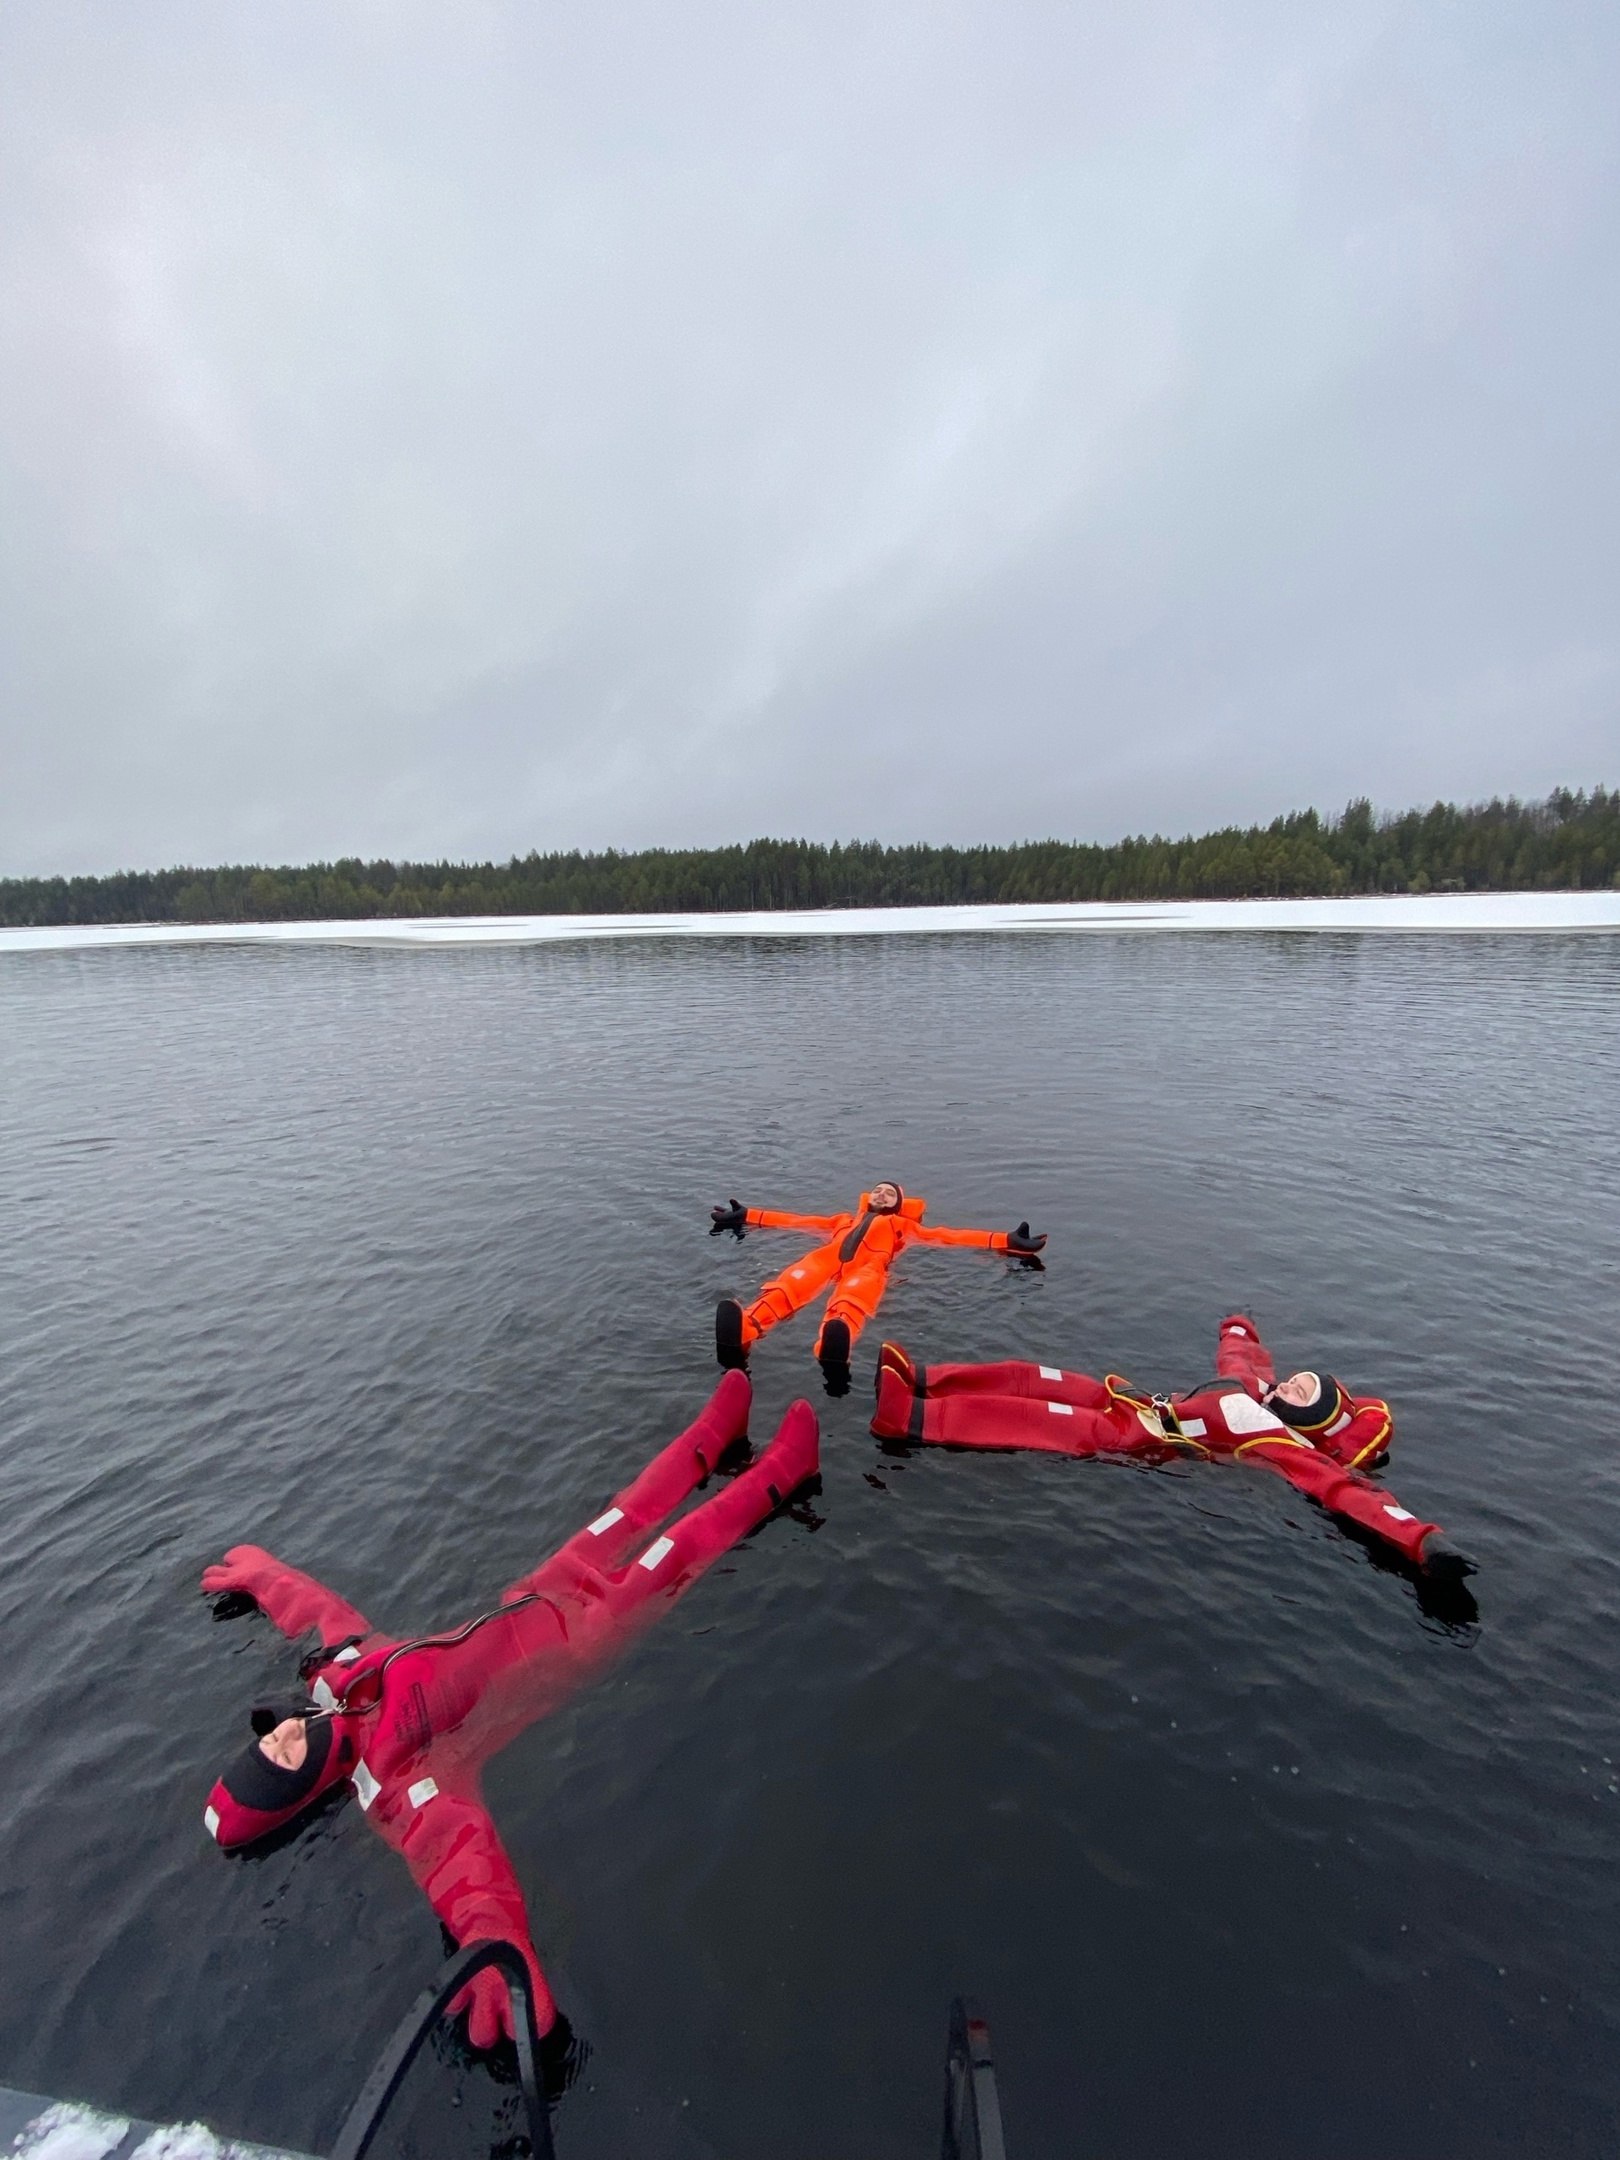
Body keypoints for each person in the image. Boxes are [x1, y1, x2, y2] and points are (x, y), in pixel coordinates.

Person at [199, 1373, 818, 2049]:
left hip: (534, 1595)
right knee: (680, 1547)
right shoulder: (398, 1784)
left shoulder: (338, 1680)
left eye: (271, 1739)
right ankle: (787, 1468)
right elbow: (462, 1862)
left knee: (627, 1511)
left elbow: (320, 1613)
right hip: (579, 1642)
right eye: (286, 1756)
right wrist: (497, 1950)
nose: (287, 1733)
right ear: (301, 1790)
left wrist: (264, 1578)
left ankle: (712, 1435)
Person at [870, 1313, 1473, 1578]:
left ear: (1309, 1418)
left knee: (1036, 1416)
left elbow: (1346, 1493)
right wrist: (1239, 1327)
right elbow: (1239, 1357)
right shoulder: (1256, 1390)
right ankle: (926, 1377)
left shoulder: (1280, 1439)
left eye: (1302, 1391)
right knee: (1041, 1376)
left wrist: (1421, 1540)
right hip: (1138, 1400)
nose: (1289, 1383)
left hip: (1139, 1439)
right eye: (1298, 1376)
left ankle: (910, 1417)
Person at [708, 1181, 1046, 1389]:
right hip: (827, 1257)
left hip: (870, 1266)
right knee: (788, 1285)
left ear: (898, 1204)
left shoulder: (903, 1226)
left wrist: (1006, 1240)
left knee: (851, 1301)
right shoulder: (843, 1220)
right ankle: (746, 1328)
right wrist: (748, 1214)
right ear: (869, 1198)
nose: (882, 1195)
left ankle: (832, 1343)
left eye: (889, 1194)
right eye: (879, 1191)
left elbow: (950, 1235)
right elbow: (796, 1220)